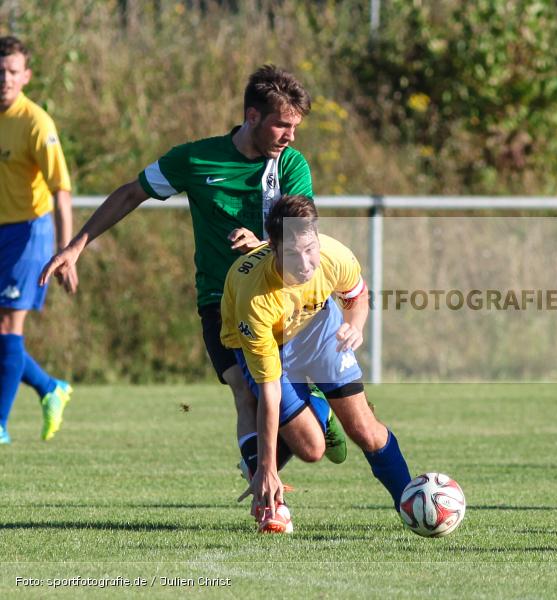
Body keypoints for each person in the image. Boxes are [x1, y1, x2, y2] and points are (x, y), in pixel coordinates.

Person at [40, 65, 344, 464]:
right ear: (252, 116)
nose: (290, 136)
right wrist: (76, 245)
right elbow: (132, 193)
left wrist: (264, 245)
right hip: (219, 297)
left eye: (295, 127)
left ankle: (314, 408)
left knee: (297, 427)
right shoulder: (196, 159)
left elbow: (302, 230)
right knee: (243, 388)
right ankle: (268, 500)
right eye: (281, 126)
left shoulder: (290, 164)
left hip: (279, 296)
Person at [220, 194, 412, 532]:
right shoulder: (256, 297)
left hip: (319, 328)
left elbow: (357, 295)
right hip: (271, 344)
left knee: (364, 429)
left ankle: (411, 504)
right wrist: (267, 467)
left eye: (310, 249)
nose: (307, 263)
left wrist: (355, 324)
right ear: (272, 248)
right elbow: (269, 392)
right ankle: (319, 409)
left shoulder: (334, 256)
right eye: (293, 254)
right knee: (311, 448)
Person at [0, 36, 74, 444]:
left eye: (12, 72)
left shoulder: (36, 123)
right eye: (0, 71)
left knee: (10, 324)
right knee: (1, 333)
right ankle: (50, 387)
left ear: (26, 76)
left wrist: (66, 252)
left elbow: (61, 191)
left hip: (29, 232)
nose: (5, 79)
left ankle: (0, 425)